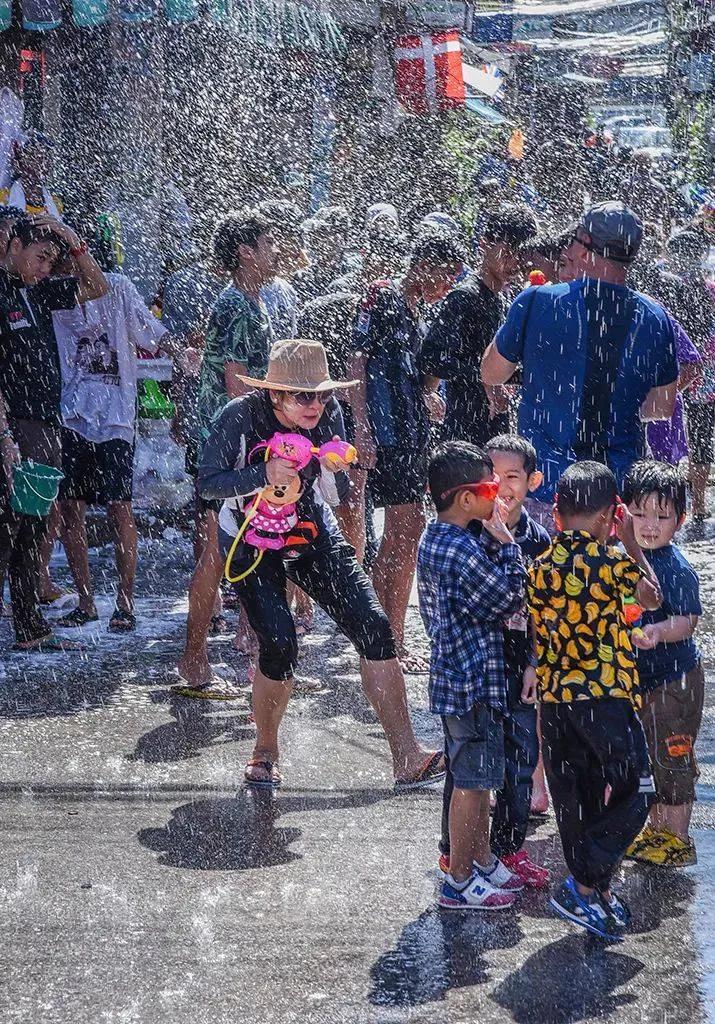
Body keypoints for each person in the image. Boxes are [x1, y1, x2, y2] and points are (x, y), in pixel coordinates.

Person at [199, 338, 445, 790]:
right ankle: (265, 749)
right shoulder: (238, 417)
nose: (316, 404)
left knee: (374, 626)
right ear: (275, 394)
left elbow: (338, 491)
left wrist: (338, 467)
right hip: (251, 537)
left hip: (310, 529)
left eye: (323, 393)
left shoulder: (328, 416)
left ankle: (407, 757)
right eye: (303, 395)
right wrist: (262, 474)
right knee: (279, 643)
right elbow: (208, 484)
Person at [481, 202, 678, 535]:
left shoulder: (536, 302)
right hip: (614, 498)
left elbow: (491, 372)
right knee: (610, 584)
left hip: (546, 494)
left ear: (584, 244)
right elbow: (661, 407)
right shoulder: (654, 317)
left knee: (545, 583)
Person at [528, 461, 662, 941]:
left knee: (576, 802)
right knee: (639, 790)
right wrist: (628, 542)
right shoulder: (613, 560)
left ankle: (595, 894)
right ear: (612, 516)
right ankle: (584, 882)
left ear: (557, 516)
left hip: (557, 703)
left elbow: (536, 634)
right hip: (604, 698)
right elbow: (651, 599)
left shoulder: (539, 567)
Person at [436, 435, 551, 889]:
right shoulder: (466, 533)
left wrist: (535, 662)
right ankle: (456, 852)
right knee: (469, 765)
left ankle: (505, 849)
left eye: (511, 477)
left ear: (533, 482)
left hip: (517, 663)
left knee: (520, 756)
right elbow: (497, 597)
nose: (500, 488)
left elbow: (542, 607)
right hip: (479, 667)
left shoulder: (537, 540)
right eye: (491, 478)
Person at [417, 442, 527, 910]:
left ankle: (480, 858)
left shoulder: (436, 538)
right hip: (473, 683)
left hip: (461, 679)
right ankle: (459, 880)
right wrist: (508, 545)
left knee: (482, 777)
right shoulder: (463, 551)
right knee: (471, 783)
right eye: (489, 486)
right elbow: (507, 599)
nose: (498, 493)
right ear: (466, 499)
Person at [350, 233, 466, 669]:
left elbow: (402, 374)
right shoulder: (382, 296)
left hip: (411, 433)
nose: (444, 287)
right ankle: (387, 638)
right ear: (424, 264)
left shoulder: (416, 313)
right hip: (388, 434)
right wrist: (361, 427)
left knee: (404, 535)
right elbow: (357, 362)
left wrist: (425, 398)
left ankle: (387, 635)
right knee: (403, 532)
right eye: (444, 276)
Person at [177, 209, 277, 692]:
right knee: (218, 551)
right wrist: (259, 443)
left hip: (239, 439)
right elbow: (236, 382)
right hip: (232, 442)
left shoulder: (252, 302)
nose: (276, 250)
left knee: (250, 544)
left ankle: (257, 651)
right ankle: (194, 659)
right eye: (268, 242)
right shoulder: (236, 304)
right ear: (246, 251)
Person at [0, 214, 108, 650]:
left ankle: (29, 627)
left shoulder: (38, 293)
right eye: (40, 257)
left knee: (33, 526)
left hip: (46, 425)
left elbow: (96, 287)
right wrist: (4, 434)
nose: (47, 267)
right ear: (12, 246)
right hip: (14, 426)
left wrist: (72, 241)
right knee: (7, 528)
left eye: (52, 260)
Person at [50, 269, 171, 631]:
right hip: (71, 413)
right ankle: (86, 601)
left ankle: (125, 600)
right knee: (72, 508)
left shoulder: (117, 286)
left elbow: (149, 333)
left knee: (121, 506)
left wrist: (181, 351)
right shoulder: (54, 289)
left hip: (117, 415)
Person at [622, 461, 704, 867]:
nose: (649, 525)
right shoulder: (625, 562)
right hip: (644, 679)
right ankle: (656, 831)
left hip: (676, 679)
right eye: (639, 513)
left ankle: (677, 837)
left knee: (673, 754)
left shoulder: (676, 568)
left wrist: (658, 632)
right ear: (623, 514)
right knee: (649, 757)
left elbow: (689, 621)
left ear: (681, 520)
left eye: (662, 516)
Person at [421, 205, 537, 447]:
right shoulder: (465, 297)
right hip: (464, 432)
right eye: (506, 253)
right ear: (484, 244)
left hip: (493, 430)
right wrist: (485, 377)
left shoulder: (506, 299)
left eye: (521, 255)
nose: (514, 263)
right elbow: (430, 359)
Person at [294, 206, 354, 303]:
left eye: (324, 233)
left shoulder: (352, 273)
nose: (317, 239)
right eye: (315, 233)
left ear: (342, 237)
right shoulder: (303, 277)